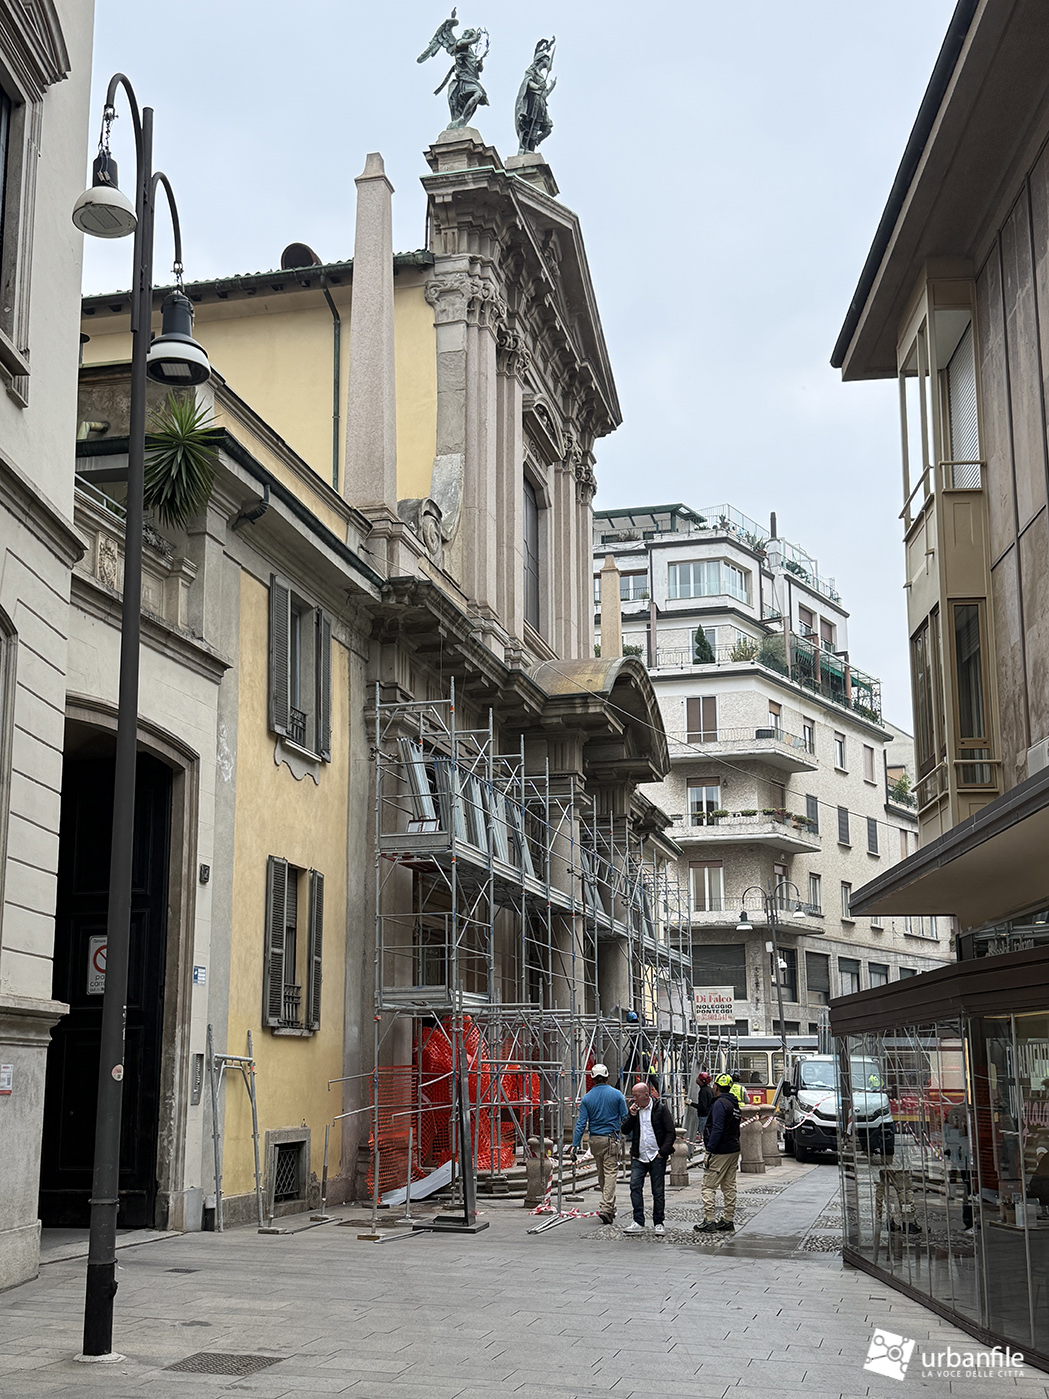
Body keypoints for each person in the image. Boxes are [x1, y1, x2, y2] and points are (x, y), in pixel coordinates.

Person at [570, 1063, 628, 1225]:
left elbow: (581, 1124)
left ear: (593, 1078)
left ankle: (609, 1207)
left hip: (594, 1140)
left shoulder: (587, 1098)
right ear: (607, 1077)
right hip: (611, 1139)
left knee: (602, 1173)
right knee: (610, 1173)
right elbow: (625, 1118)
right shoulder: (617, 1095)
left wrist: (575, 1145)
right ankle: (606, 1207)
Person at [620, 1080, 677, 1234]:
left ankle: (659, 1222)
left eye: (637, 1096)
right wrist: (631, 1115)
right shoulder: (634, 1109)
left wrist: (662, 1152)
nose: (634, 1099)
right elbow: (625, 1130)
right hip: (639, 1155)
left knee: (657, 1191)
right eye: (633, 1096)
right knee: (635, 1186)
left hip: (655, 1155)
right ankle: (638, 1221)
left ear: (646, 1095)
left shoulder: (660, 1108)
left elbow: (670, 1131)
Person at [694, 1073, 741, 1233]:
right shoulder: (734, 1104)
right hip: (733, 1149)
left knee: (708, 1186)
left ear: (716, 1087)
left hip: (720, 1151)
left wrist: (710, 1150)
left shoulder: (720, 1104)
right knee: (729, 1185)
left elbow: (717, 1128)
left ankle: (709, 1220)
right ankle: (728, 1219)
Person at [694, 1072, 714, 1143]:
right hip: (709, 1115)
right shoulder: (709, 1089)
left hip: (704, 1116)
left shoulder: (703, 1091)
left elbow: (703, 1106)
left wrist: (691, 1104)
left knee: (705, 1135)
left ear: (702, 1081)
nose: (697, 1079)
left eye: (698, 1078)